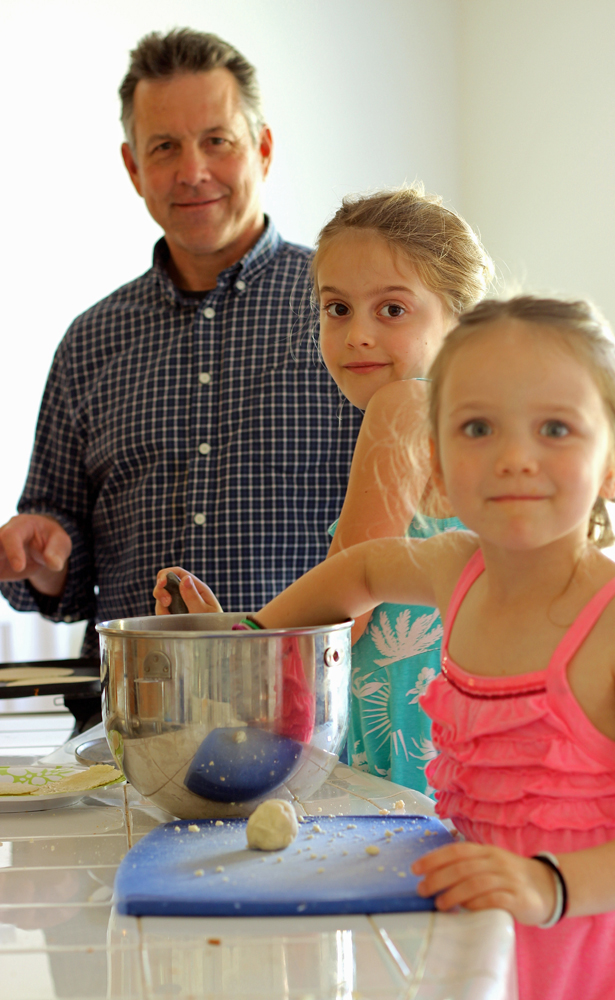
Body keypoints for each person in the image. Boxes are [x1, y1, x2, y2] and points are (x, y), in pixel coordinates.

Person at [161, 296, 615, 1000]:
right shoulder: (459, 572)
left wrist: (550, 886)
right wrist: (249, 636)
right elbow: (365, 568)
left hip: (596, 961)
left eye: (556, 428)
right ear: (437, 467)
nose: (515, 455)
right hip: (475, 937)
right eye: (478, 428)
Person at [0, 28, 361, 728]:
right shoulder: (90, 341)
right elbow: (61, 576)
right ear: (134, 167)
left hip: (318, 722)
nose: (193, 170)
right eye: (165, 147)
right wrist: (44, 554)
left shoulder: (348, 313)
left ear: (262, 148)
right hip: (135, 729)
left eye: (218, 140)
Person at [156, 186, 493, 793]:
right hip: (464, 747)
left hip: (407, 758)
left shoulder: (401, 408)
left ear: (461, 323)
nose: (357, 334)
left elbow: (349, 610)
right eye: (337, 309)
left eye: (392, 310)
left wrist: (234, 644)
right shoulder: (477, 428)